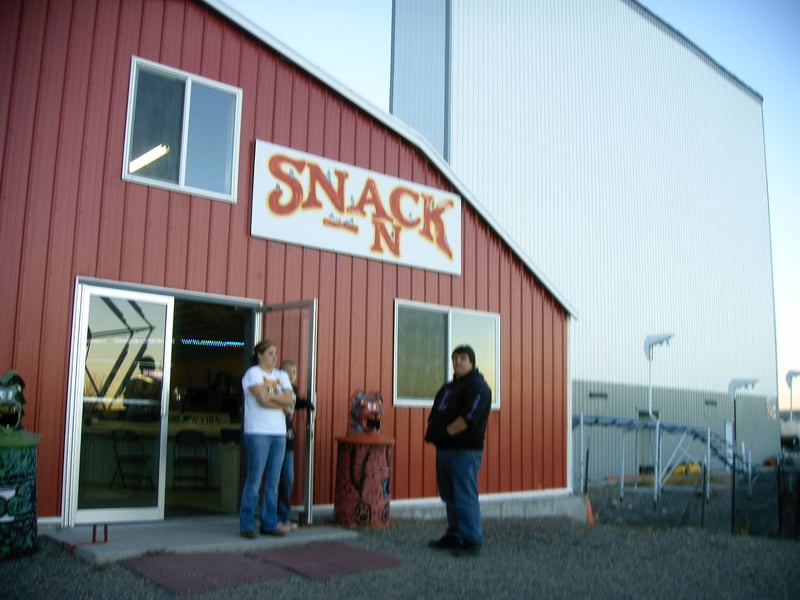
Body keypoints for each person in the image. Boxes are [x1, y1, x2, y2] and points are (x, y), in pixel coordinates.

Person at [424, 344, 492, 556]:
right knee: (449, 495)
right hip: (444, 450)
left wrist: (444, 433)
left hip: (464, 451)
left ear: (472, 362)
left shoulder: (478, 387)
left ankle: (472, 539)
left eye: (463, 358)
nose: (458, 362)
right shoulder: (449, 388)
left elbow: (468, 418)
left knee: (464, 494)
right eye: (455, 358)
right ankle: (455, 534)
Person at [239, 340, 295, 538]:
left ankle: (269, 523)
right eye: (270, 353)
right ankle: (246, 524)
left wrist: (276, 400)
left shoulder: (281, 376)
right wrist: (281, 405)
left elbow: (290, 399)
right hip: (258, 432)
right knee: (255, 478)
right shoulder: (253, 374)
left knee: (273, 480)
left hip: (278, 433)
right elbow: (261, 400)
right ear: (260, 355)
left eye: (276, 353)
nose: (275, 357)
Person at [277, 359, 314, 529]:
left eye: (294, 373)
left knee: (288, 478)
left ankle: (284, 515)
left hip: (289, 438)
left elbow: (293, 402)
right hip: (276, 436)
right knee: (274, 479)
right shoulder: (277, 387)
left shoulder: (294, 389)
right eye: (288, 372)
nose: (292, 376)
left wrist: (304, 403)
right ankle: (274, 516)